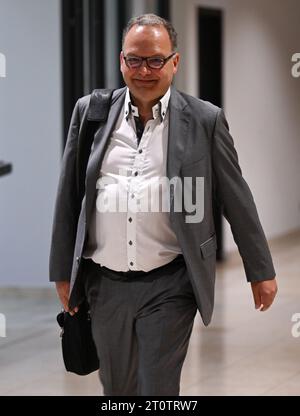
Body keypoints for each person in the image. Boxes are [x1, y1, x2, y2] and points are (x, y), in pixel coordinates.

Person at [49, 14, 278, 396]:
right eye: (135, 60)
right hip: (104, 283)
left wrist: (260, 270)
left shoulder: (204, 120)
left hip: (170, 281)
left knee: (156, 386)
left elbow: (236, 197)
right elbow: (69, 196)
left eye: (155, 60)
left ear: (175, 61)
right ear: (122, 60)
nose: (144, 70)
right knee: (118, 389)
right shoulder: (91, 113)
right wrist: (61, 270)